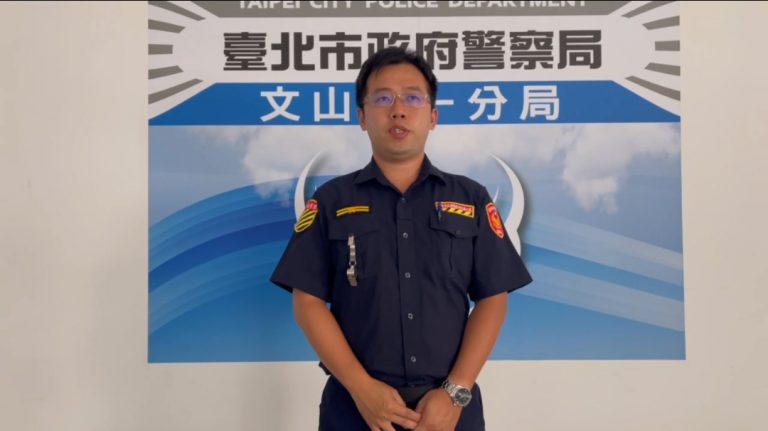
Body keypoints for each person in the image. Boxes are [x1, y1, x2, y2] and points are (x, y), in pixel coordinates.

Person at [270, 46, 532, 431]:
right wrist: (361, 388)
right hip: (355, 409)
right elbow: (307, 302)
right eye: (382, 98)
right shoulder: (331, 201)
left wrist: (456, 391)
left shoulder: (470, 198)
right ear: (362, 117)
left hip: (449, 411)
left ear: (433, 117)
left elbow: (493, 297)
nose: (398, 110)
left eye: (412, 98)